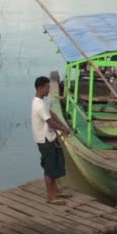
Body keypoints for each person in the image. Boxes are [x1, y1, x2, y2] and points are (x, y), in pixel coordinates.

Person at [32, 76, 73, 205]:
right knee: (49, 168)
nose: (49, 90)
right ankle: (51, 197)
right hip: (45, 140)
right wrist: (63, 129)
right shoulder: (38, 104)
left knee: (55, 165)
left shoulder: (41, 102)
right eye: (47, 88)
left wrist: (63, 125)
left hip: (50, 137)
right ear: (40, 88)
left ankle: (55, 191)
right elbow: (49, 121)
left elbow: (52, 114)